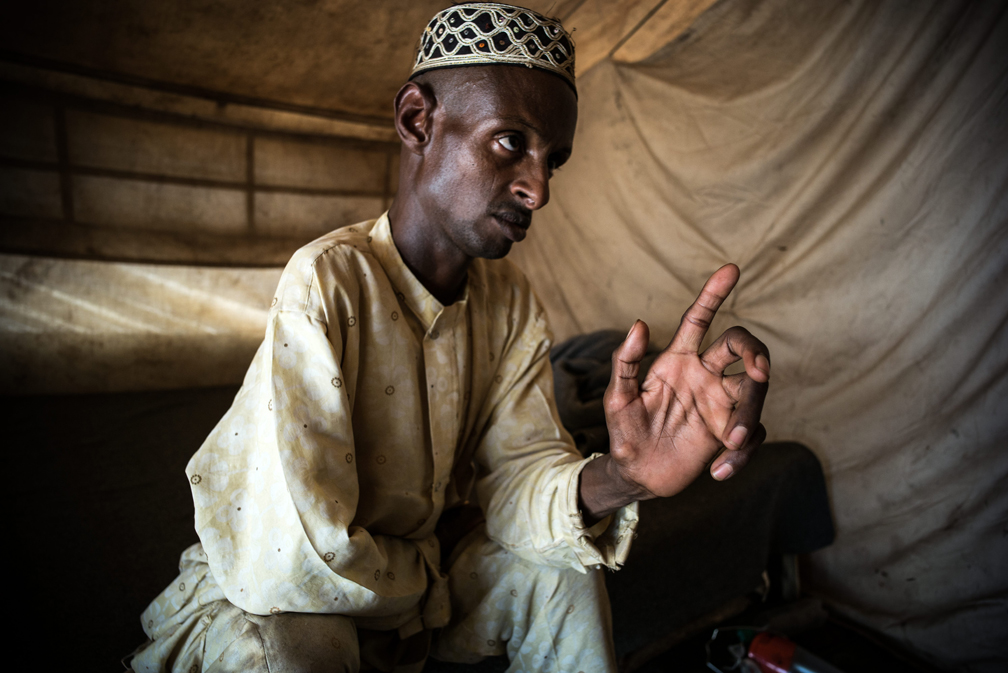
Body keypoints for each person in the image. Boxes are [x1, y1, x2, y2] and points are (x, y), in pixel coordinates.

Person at [129, 4, 770, 672]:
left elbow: (519, 482)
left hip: (415, 591)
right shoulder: (330, 280)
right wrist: (432, 566)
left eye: (555, 159)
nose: (539, 189)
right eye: (510, 142)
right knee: (287, 650)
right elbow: (292, 556)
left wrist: (623, 475)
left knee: (559, 579)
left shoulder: (510, 302)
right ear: (417, 121)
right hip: (293, 598)